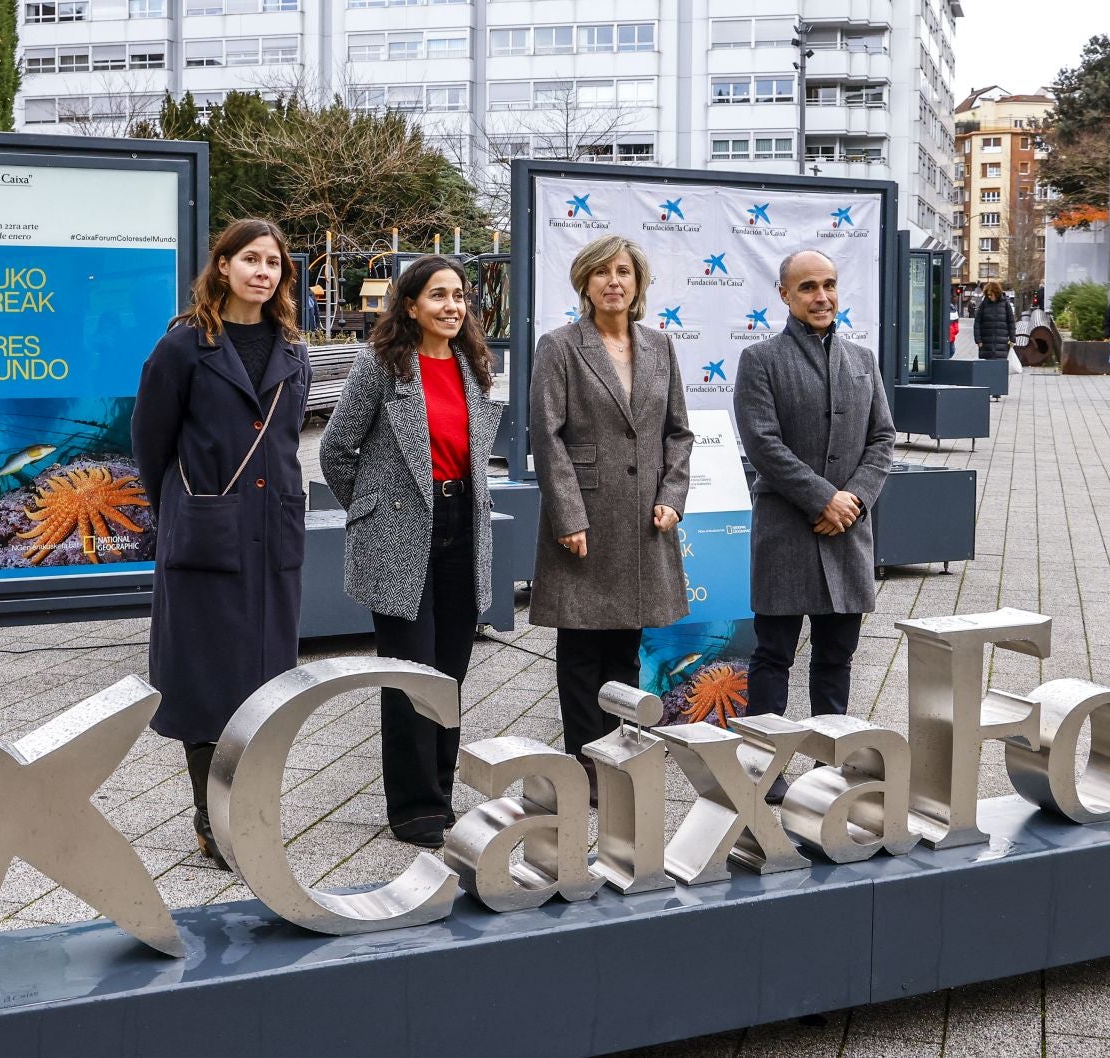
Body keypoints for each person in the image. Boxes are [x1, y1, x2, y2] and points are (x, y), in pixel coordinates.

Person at [132, 218, 311, 868]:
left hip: (273, 534)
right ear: (224, 265)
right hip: (208, 532)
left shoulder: (293, 349)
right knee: (208, 680)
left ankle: (253, 811)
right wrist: (184, 511)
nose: (263, 271)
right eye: (251, 259)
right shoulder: (185, 345)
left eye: (273, 262)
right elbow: (150, 441)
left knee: (266, 678)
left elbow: (286, 441)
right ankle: (213, 820)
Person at [320, 256, 502, 849]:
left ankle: (442, 793)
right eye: (437, 296)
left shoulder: (474, 366)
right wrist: (373, 511)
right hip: (399, 533)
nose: (452, 307)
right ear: (409, 306)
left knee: (449, 672)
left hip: (461, 526)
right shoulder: (381, 366)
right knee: (409, 673)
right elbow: (337, 448)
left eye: (459, 296)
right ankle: (413, 807)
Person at [529, 235, 694, 783]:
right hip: (586, 520)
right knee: (580, 648)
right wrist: (568, 515)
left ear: (638, 283)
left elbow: (679, 433)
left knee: (624, 649)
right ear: (584, 283)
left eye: (623, 271)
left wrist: (672, 496)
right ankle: (584, 767)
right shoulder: (559, 346)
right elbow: (547, 438)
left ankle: (617, 757)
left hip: (645, 521)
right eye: (601, 273)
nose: (613, 282)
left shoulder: (660, 347)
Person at [733, 249, 895, 800]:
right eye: (807, 288)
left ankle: (836, 767)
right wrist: (823, 499)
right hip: (786, 530)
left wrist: (852, 500)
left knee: (836, 659)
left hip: (848, 532)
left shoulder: (863, 360)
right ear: (784, 295)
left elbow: (882, 440)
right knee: (773, 654)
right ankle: (761, 767)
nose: (821, 296)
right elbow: (763, 444)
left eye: (828, 285)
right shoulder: (761, 360)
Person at [972, 280, 1017, 360]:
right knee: (987, 368)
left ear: (996, 293)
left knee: (1000, 367)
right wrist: (978, 340)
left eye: (991, 294)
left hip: (1002, 344)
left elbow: (1011, 322)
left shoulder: (1005, 304)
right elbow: (977, 322)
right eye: (988, 294)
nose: (989, 296)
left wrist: (1012, 338)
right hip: (986, 344)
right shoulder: (984, 304)